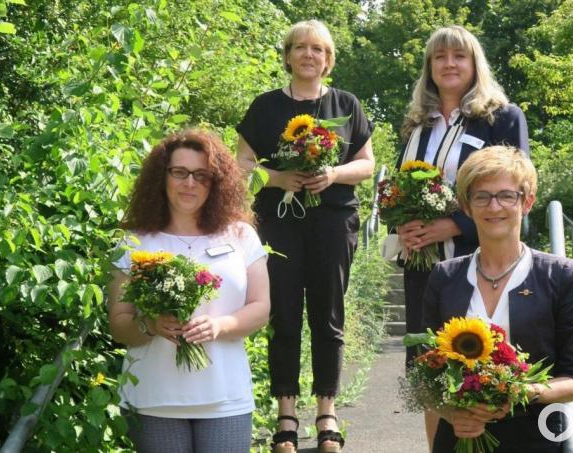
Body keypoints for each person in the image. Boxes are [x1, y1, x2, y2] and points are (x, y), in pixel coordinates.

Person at [235, 19, 374, 453]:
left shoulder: (346, 104)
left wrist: (332, 173)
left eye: (318, 49)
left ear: (328, 59)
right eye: (300, 48)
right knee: (284, 315)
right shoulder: (265, 106)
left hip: (334, 222)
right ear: (288, 56)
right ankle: (286, 414)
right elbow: (240, 166)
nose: (309, 55)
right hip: (279, 222)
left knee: (328, 315)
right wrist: (277, 177)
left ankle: (327, 410)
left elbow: (366, 165)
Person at [394, 25, 529, 448]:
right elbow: (397, 190)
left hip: (480, 262)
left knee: (485, 364)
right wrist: (402, 224)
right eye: (439, 57)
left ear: (475, 64)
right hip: (422, 267)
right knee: (432, 370)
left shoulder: (501, 117)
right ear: (429, 68)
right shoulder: (416, 124)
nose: (449, 64)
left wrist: (453, 225)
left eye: (459, 56)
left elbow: (517, 184)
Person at [107, 129, 270, 453]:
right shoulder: (134, 241)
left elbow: (260, 308)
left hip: (225, 399)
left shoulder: (240, 235)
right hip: (154, 400)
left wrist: (220, 326)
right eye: (179, 172)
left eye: (201, 175)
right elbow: (119, 322)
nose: (189, 183)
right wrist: (150, 326)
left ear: (217, 181)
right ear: (161, 176)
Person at [422, 145, 573, 452]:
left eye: (506, 195)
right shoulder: (444, 277)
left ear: (527, 201)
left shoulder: (560, 276)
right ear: (466, 205)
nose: (494, 207)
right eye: (481, 196)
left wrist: (518, 393)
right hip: (460, 439)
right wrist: (454, 413)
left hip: (538, 439)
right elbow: (423, 370)